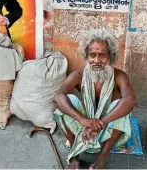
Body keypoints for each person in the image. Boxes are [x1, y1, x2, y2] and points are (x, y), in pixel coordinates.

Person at [53, 30, 136, 169]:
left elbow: (131, 100)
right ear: (87, 55)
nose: (96, 61)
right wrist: (83, 120)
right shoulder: (78, 75)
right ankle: (74, 155)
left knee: (122, 107)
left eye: (102, 55)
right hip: (84, 126)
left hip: (106, 127)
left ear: (110, 56)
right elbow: (57, 97)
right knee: (68, 101)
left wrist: (101, 123)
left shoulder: (119, 76)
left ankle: (102, 157)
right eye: (92, 55)